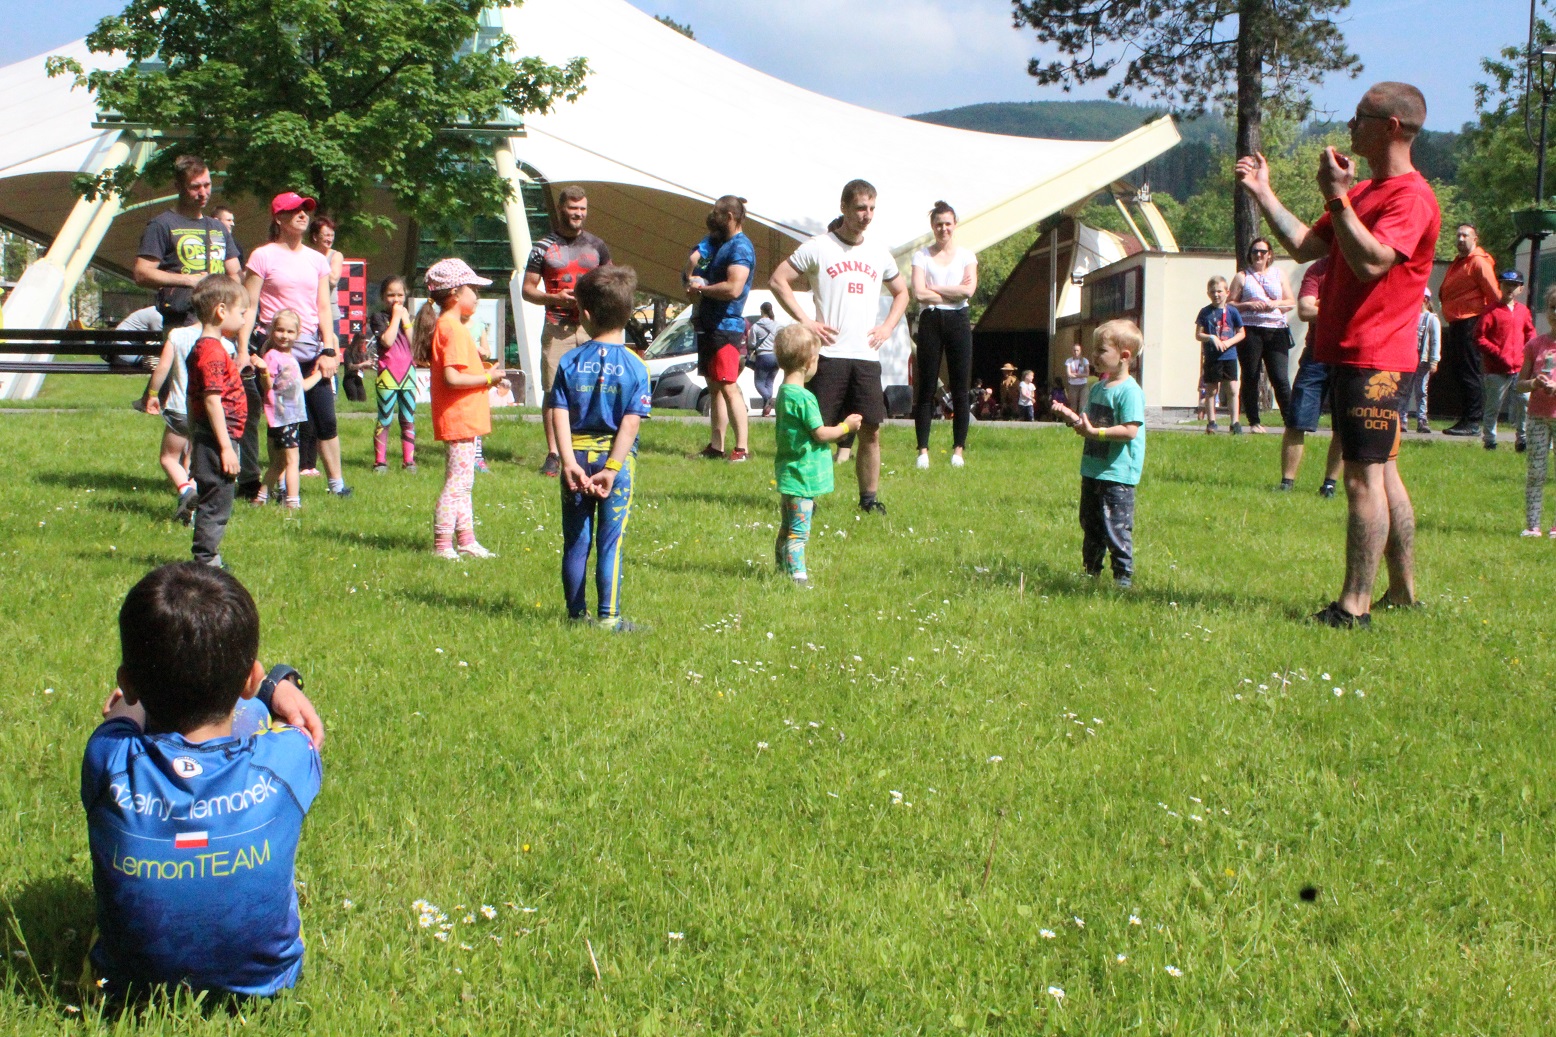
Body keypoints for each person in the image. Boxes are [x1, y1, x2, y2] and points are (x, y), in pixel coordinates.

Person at [1237, 80, 1441, 627]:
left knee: (1360, 479)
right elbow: (1308, 245)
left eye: (1360, 117)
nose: (1350, 126)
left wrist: (1336, 196)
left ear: (1391, 127)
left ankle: (1353, 607)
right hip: (1356, 352)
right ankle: (1403, 592)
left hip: (1375, 357)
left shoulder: (1411, 197)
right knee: (1384, 473)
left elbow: (1373, 262)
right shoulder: (1369, 192)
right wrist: (1263, 193)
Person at [83, 561, 323, 1000]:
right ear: (250, 678)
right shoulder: (287, 759)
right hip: (266, 983)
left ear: (128, 684)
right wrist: (279, 684)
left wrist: (135, 695)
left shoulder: (106, 759)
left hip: (123, 988)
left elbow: (123, 713)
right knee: (252, 719)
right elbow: (297, 726)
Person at [770, 179, 909, 515]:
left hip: (866, 356)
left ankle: (869, 501)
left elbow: (902, 292)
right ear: (844, 207)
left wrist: (887, 327)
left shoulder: (878, 252)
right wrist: (806, 321)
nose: (867, 215)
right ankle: (806, 498)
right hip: (828, 355)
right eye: (860, 208)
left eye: (872, 208)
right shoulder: (819, 247)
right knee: (815, 429)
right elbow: (778, 279)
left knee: (871, 430)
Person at [548, 265, 652, 630]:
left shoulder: (569, 361)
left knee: (576, 543)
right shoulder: (637, 367)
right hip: (616, 465)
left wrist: (566, 461)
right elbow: (631, 423)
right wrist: (611, 468)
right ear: (627, 314)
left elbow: (558, 412)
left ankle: (576, 617)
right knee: (611, 543)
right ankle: (609, 619)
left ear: (586, 314)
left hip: (575, 459)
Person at [241, 192, 351, 498]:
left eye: (305, 209)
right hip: (276, 351)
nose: (303, 214)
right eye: (294, 210)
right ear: (278, 218)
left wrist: (329, 350)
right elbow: (249, 306)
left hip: (311, 348)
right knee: (281, 420)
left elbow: (324, 307)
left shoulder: (316, 259)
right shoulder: (262, 256)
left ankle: (337, 486)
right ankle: (280, 485)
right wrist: (243, 350)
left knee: (325, 417)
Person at [1049, 320, 1147, 589]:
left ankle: (1122, 578)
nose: (1094, 355)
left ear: (1124, 355)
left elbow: (1130, 431)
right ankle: (1091, 572)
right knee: (1090, 524)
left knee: (1116, 527)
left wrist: (1096, 433)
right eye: (1093, 350)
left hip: (1118, 474)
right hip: (1093, 469)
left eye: (1101, 350)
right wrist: (1071, 417)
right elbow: (1088, 424)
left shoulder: (1130, 392)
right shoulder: (1097, 389)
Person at [414, 259, 499, 560]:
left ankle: (466, 540)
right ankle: (442, 545)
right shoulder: (452, 329)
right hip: (459, 417)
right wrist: (489, 378)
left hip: (465, 418)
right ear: (454, 293)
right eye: (472, 289)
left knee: (464, 484)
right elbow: (452, 378)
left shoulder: (452, 327)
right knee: (457, 484)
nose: (477, 296)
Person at [524, 185, 611, 477]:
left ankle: (587, 447)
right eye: (573, 209)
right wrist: (554, 298)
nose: (579, 214)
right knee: (553, 390)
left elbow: (611, 282)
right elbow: (527, 290)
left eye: (583, 209)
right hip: (557, 326)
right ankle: (553, 454)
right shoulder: (543, 247)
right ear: (561, 209)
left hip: (592, 328)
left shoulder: (597, 246)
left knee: (593, 387)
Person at [772, 324, 862, 585]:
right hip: (803, 477)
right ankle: (798, 577)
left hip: (790, 473)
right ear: (809, 361)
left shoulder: (784, 393)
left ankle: (781, 569)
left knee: (787, 527)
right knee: (799, 533)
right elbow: (820, 433)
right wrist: (846, 427)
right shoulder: (804, 398)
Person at [185, 276, 250, 567]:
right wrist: (225, 448)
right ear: (221, 311)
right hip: (218, 438)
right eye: (241, 312)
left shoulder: (204, 348)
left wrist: (193, 441)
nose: (244, 318)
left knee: (215, 493)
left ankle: (208, 553)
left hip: (209, 437)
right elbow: (212, 400)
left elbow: (192, 399)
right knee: (218, 500)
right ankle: (206, 559)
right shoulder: (212, 352)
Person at [685, 195, 755, 462]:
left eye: (716, 213)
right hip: (708, 324)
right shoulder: (717, 242)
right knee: (714, 386)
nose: (712, 217)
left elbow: (734, 288)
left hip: (727, 326)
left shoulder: (741, 247)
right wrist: (692, 280)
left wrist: (702, 289)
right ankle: (717, 447)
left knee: (728, 385)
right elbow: (692, 265)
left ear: (729, 216)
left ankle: (742, 449)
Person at [910, 201, 978, 469]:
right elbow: (919, 293)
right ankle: (922, 451)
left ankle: (958, 450)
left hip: (958, 320)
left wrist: (935, 288)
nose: (943, 229)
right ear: (932, 226)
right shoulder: (922, 256)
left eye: (948, 223)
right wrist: (953, 291)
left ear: (955, 224)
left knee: (961, 388)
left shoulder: (966, 256)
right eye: (938, 224)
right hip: (930, 319)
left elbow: (968, 291)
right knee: (926, 387)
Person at [132, 156, 242, 317]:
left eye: (207, 185)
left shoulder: (218, 227)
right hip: (181, 319)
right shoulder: (161, 225)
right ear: (178, 186)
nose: (203, 193)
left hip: (218, 318)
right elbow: (142, 273)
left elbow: (235, 275)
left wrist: (220, 288)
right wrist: (190, 280)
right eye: (195, 187)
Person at [1278, 257, 1344, 496]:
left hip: (1349, 357)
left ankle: (1329, 485)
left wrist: (1322, 306)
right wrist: (1341, 311)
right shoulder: (1319, 269)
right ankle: (1286, 483)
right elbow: (1305, 310)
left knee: (1343, 426)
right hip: (1316, 356)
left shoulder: (1361, 268)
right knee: (1296, 420)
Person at [253, 310, 320, 511]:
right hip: (283, 418)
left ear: (298, 334)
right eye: (280, 330)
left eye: (290, 332)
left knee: (279, 463)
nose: (284, 335)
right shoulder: (272, 356)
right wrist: (263, 371)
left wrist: (320, 374)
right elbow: (267, 387)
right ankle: (292, 502)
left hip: (290, 418)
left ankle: (260, 498)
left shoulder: (290, 358)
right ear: (272, 331)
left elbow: (302, 387)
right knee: (292, 461)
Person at [1228, 237, 1296, 432]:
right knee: (1250, 375)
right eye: (1254, 251)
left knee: (1280, 378)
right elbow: (1230, 304)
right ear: (1250, 255)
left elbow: (1290, 302)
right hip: (1251, 330)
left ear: (1269, 255)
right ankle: (1254, 422)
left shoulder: (1279, 274)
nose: (1258, 255)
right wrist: (1248, 305)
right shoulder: (1242, 276)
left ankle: (1291, 422)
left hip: (1277, 331)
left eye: (1263, 252)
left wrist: (1276, 304)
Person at [1437, 223, 1500, 436]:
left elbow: (1494, 296)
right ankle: (1465, 419)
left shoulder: (1478, 262)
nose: (1461, 239)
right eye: (1458, 236)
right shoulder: (1460, 261)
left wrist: (1490, 326)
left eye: (1465, 235)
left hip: (1470, 322)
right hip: (1457, 322)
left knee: (1468, 371)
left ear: (1475, 239)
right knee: (1459, 371)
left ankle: (1472, 422)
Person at [1475, 270, 1535, 451]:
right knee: (1494, 406)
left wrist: (1530, 354)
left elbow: (1530, 334)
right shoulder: (1491, 311)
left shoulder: (1523, 311)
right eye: (1506, 284)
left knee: (1524, 403)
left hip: (1520, 368)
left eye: (1514, 285)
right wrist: (1498, 353)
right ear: (1500, 286)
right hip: (1496, 369)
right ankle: (1490, 440)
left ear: (1520, 289)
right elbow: (1479, 337)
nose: (1510, 288)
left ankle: (1522, 439)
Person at [1516, 285, 1556, 536]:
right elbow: (1519, 384)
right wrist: (1534, 383)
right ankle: (1532, 525)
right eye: (1552, 307)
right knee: (1536, 472)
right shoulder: (1535, 345)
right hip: (1537, 417)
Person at [368, 275, 418, 473]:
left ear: (406, 295)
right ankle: (380, 461)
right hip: (388, 375)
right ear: (383, 297)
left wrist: (406, 320)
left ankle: (409, 461)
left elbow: (415, 345)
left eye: (399, 294)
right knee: (385, 419)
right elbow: (387, 341)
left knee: (408, 419)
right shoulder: (378, 318)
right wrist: (396, 318)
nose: (396, 299)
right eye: (390, 295)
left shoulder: (410, 319)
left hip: (408, 376)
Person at [1194, 275, 1244, 433]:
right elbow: (1198, 334)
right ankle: (1212, 422)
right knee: (1211, 390)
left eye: (1219, 291)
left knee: (1232, 389)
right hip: (1212, 357)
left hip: (1229, 356)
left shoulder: (1232, 311)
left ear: (1227, 292)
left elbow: (1241, 333)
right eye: (1212, 292)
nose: (1216, 295)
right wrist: (1211, 337)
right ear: (1208, 293)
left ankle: (1235, 423)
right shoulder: (1205, 312)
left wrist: (1229, 343)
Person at [1402, 288, 1441, 434]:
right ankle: (1402, 420)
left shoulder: (1431, 319)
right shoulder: (1409, 317)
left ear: (1425, 299)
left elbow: (1435, 341)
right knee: (1405, 391)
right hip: (1408, 361)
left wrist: (1434, 360)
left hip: (1423, 361)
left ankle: (1422, 420)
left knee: (1421, 391)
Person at [308, 216, 345, 332]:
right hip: (310, 313)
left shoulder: (336, 255)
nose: (330, 239)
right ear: (315, 237)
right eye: (326, 235)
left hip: (330, 314)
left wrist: (318, 262)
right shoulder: (308, 255)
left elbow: (333, 280)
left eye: (332, 235)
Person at [747, 301, 780, 416]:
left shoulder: (756, 326)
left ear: (761, 311)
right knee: (770, 382)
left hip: (763, 356)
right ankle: (766, 408)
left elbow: (752, 343)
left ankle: (768, 399)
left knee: (759, 383)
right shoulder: (777, 325)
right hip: (776, 356)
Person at [1063, 343, 1091, 415]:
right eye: (1074, 350)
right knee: (1073, 405)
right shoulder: (1069, 361)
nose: (1076, 352)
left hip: (1083, 385)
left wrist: (1075, 375)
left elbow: (1087, 374)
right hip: (1073, 385)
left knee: (1083, 405)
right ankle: (1072, 419)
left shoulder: (1085, 360)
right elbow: (1069, 374)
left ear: (1080, 351)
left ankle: (1082, 419)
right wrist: (1081, 375)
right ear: (1072, 351)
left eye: (1077, 350)